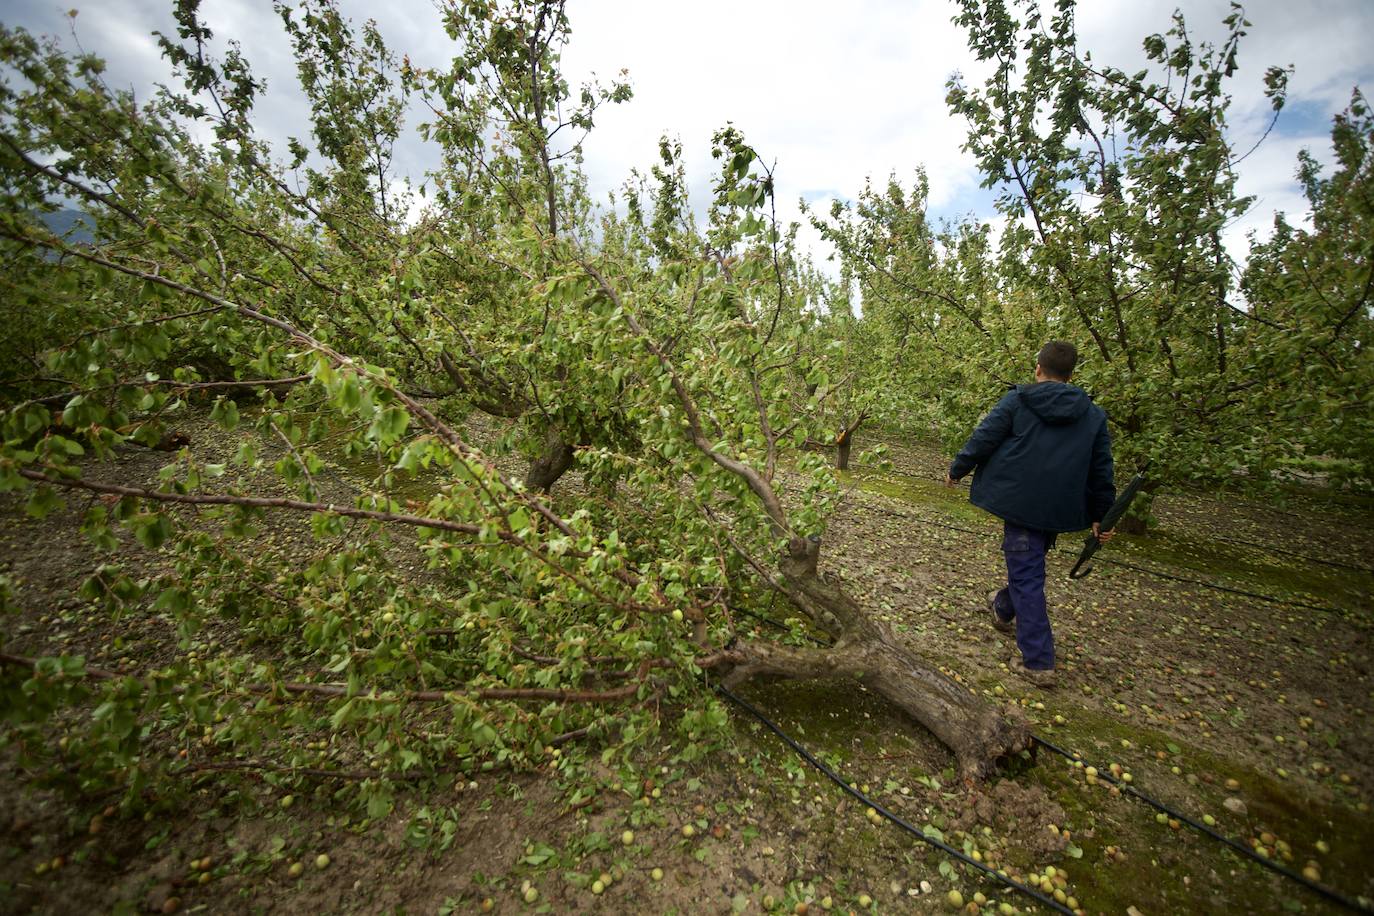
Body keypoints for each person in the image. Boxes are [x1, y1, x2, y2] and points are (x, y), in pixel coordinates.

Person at [944, 341, 1116, 688]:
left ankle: (1037, 661)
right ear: (1071, 375)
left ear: (1038, 369)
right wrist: (1102, 513)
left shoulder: (1019, 400)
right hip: (1060, 506)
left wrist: (957, 469)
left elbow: (985, 436)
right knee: (1028, 566)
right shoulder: (1093, 415)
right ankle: (1003, 607)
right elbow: (1102, 469)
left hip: (1021, 502)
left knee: (1026, 572)